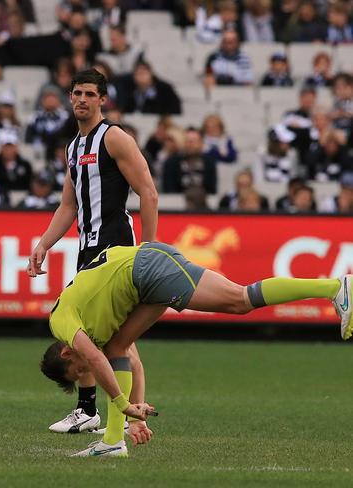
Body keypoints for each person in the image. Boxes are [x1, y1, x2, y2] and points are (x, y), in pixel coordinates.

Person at [41, 244, 353, 456]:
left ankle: (334, 288)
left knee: (239, 299)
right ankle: (112, 442)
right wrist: (136, 418)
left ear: (67, 353)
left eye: (80, 371)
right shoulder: (92, 327)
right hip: (141, 275)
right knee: (117, 347)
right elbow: (126, 360)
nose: (88, 374)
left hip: (147, 268)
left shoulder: (62, 322)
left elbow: (97, 359)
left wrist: (123, 405)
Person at [27, 68, 158, 435]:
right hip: (88, 250)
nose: (81, 99)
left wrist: (147, 251)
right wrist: (43, 244)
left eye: (89, 93)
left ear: (102, 99)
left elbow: (148, 192)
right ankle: (92, 412)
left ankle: (130, 417)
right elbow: (67, 206)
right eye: (76, 93)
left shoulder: (114, 138)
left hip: (116, 247)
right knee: (86, 333)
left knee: (118, 340)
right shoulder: (73, 147)